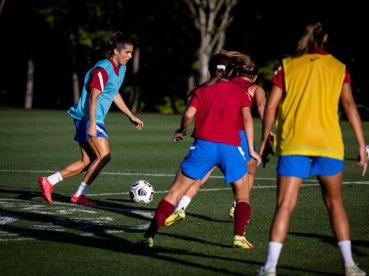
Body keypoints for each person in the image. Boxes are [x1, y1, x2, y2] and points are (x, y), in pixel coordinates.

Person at [256, 19, 368, 276]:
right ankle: (349, 265)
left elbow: (271, 106)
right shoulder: (338, 67)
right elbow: (350, 106)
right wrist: (361, 145)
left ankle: (270, 269)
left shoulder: (286, 65)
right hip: (328, 143)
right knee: (335, 203)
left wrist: (264, 142)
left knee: (285, 204)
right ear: (325, 38)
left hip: (294, 142)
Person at [134, 52, 261, 249]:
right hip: (231, 147)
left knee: (174, 193)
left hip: (204, 146)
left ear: (210, 69)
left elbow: (189, 114)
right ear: (231, 71)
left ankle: (149, 236)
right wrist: (251, 149)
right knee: (242, 196)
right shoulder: (239, 92)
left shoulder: (202, 90)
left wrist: (181, 129)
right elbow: (247, 119)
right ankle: (238, 236)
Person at [37, 31, 144, 206]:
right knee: (104, 156)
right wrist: (93, 124)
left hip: (91, 118)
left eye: (132, 52)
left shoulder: (121, 69)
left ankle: (49, 181)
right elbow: (94, 97)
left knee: (87, 161)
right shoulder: (102, 69)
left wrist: (130, 115)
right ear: (116, 51)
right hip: (88, 117)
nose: (130, 56)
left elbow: (113, 92)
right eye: (128, 52)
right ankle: (78, 195)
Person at [164, 50, 268, 226]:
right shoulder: (255, 88)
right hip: (237, 136)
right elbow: (261, 107)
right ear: (255, 76)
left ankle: (181, 207)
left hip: (214, 135)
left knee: (199, 176)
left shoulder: (224, 82)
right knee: (249, 172)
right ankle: (238, 207)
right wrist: (268, 130)